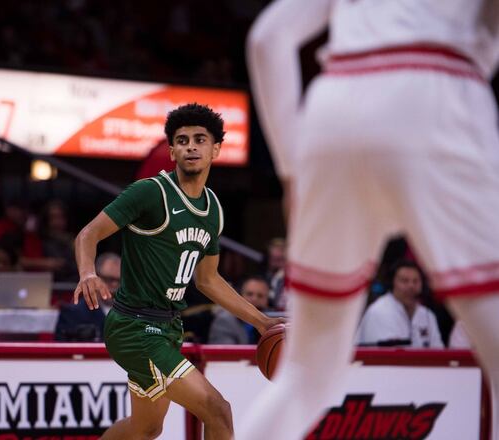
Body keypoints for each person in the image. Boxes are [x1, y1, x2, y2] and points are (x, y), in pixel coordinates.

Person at [243, 1, 499, 438]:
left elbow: (266, 39)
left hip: (334, 106)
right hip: (437, 89)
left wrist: (292, 174)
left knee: (306, 372)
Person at [74, 103, 282, 439]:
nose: (190, 146)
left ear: (216, 149)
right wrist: (87, 272)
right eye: (182, 140)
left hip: (167, 327)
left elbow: (208, 279)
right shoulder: (149, 193)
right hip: (134, 327)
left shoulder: (212, 207)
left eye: (200, 139)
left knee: (146, 428)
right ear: (171, 151)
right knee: (218, 411)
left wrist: (262, 321)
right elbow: (88, 234)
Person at [356, 260, 444, 348]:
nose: (411, 286)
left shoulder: (427, 315)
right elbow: (385, 358)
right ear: (392, 283)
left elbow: (439, 353)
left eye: (416, 281)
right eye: (404, 281)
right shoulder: (379, 311)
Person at [55, 252, 120, 342]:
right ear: (95, 278)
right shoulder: (73, 313)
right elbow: (62, 351)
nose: (114, 286)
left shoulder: (133, 313)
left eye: (120, 281)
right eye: (109, 279)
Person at [209, 276, 271, 345]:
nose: (254, 299)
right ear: (240, 296)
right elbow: (226, 353)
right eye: (249, 294)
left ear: (267, 300)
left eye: (260, 296)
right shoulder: (224, 320)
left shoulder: (271, 322)